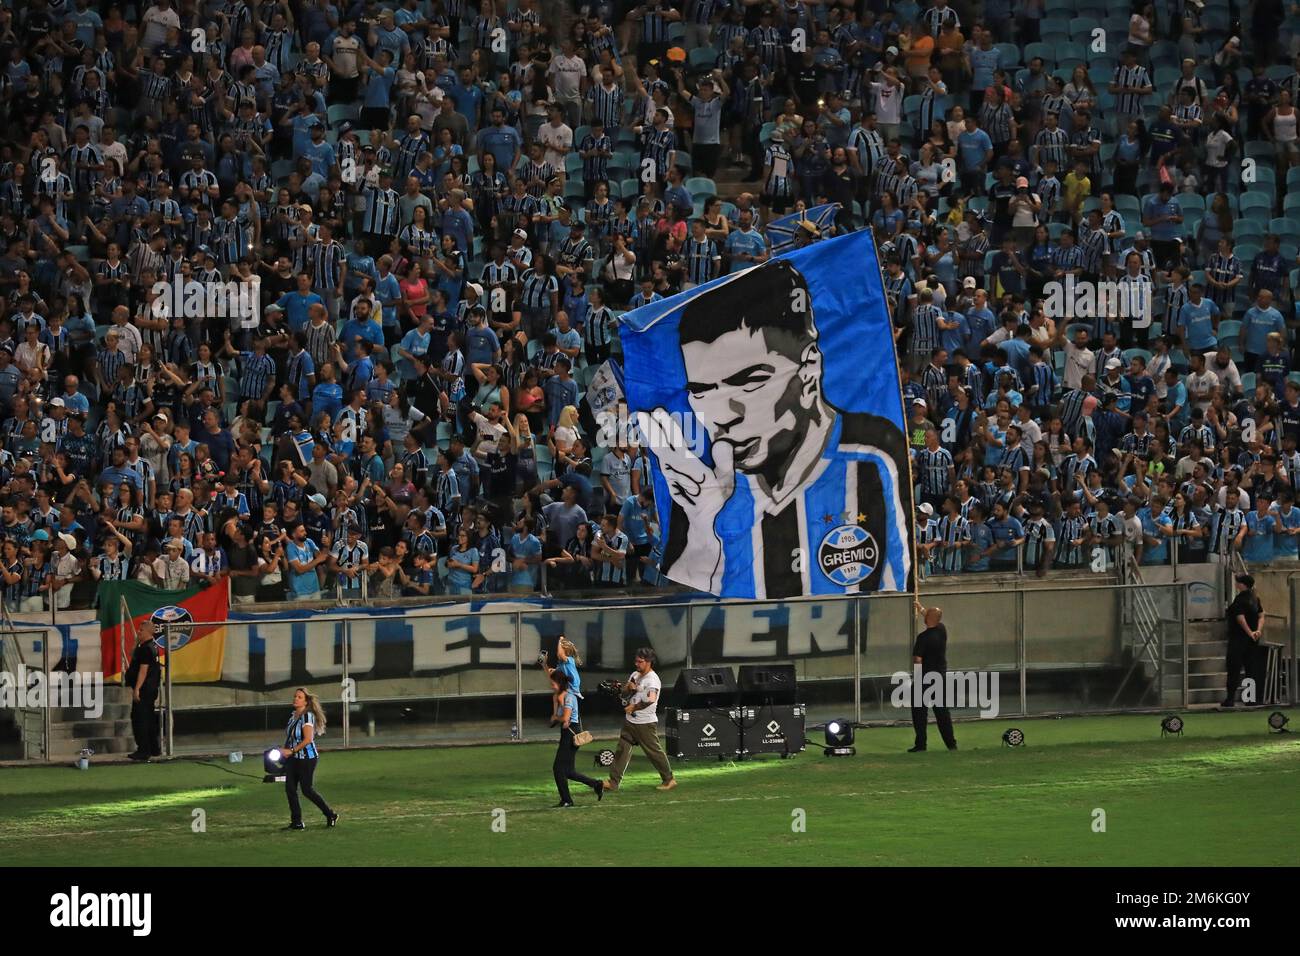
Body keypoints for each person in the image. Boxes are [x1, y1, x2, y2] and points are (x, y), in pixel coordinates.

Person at [644, 259, 912, 597]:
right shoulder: (704, 484)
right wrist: (703, 534)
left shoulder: (873, 457)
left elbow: (896, 608)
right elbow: (693, 620)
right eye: (700, 390)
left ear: (809, 369)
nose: (722, 414)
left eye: (749, 380)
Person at [603, 647, 676, 792]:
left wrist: (633, 708)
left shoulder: (652, 680)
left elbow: (650, 699)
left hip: (645, 723)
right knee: (622, 750)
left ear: (649, 662)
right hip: (630, 722)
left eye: (640, 661)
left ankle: (669, 779)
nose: (637, 664)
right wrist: (628, 688)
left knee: (654, 752)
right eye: (636, 661)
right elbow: (625, 691)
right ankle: (613, 782)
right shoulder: (635, 675)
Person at [281, 687, 339, 830]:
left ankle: (330, 814)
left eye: (300, 697)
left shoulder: (308, 716)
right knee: (290, 789)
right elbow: (290, 738)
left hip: (307, 758)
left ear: (306, 702)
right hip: (293, 758)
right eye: (295, 696)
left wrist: (292, 750)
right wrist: (285, 752)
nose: (295, 699)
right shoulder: (292, 716)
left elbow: (308, 739)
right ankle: (297, 821)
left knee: (307, 789)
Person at [549, 669, 604, 808]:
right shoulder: (558, 696)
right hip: (566, 732)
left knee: (558, 769)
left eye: (553, 683)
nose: (551, 686)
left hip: (571, 734)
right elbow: (553, 720)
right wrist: (556, 709)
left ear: (560, 683)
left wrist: (558, 714)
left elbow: (566, 718)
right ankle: (596, 784)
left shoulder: (569, 697)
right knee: (568, 771)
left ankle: (567, 800)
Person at [909, 599, 958, 752]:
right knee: (942, 712)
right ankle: (951, 744)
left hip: (924, 678)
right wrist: (921, 608)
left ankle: (921, 744)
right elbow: (931, 617)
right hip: (940, 677)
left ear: (927, 619)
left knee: (919, 712)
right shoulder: (941, 630)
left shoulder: (923, 638)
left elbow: (918, 659)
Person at [1223, 573, 1263, 707]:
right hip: (1252, 640)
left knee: (1234, 668)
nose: (1236, 584)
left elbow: (1240, 618)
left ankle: (1230, 699)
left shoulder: (1240, 600)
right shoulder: (1255, 598)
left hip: (1238, 639)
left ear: (1242, 585)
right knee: (1250, 669)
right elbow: (1261, 615)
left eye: (1238, 582)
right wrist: (1257, 630)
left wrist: (1249, 632)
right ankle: (1250, 698)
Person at [125, 627, 162, 761]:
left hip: (144, 689)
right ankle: (154, 748)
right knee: (149, 718)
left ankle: (143, 750)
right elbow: (132, 653)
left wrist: (137, 689)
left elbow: (143, 670)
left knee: (139, 718)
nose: (138, 632)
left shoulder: (146, 649)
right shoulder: (151, 646)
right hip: (151, 688)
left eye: (141, 630)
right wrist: (136, 642)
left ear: (148, 632)